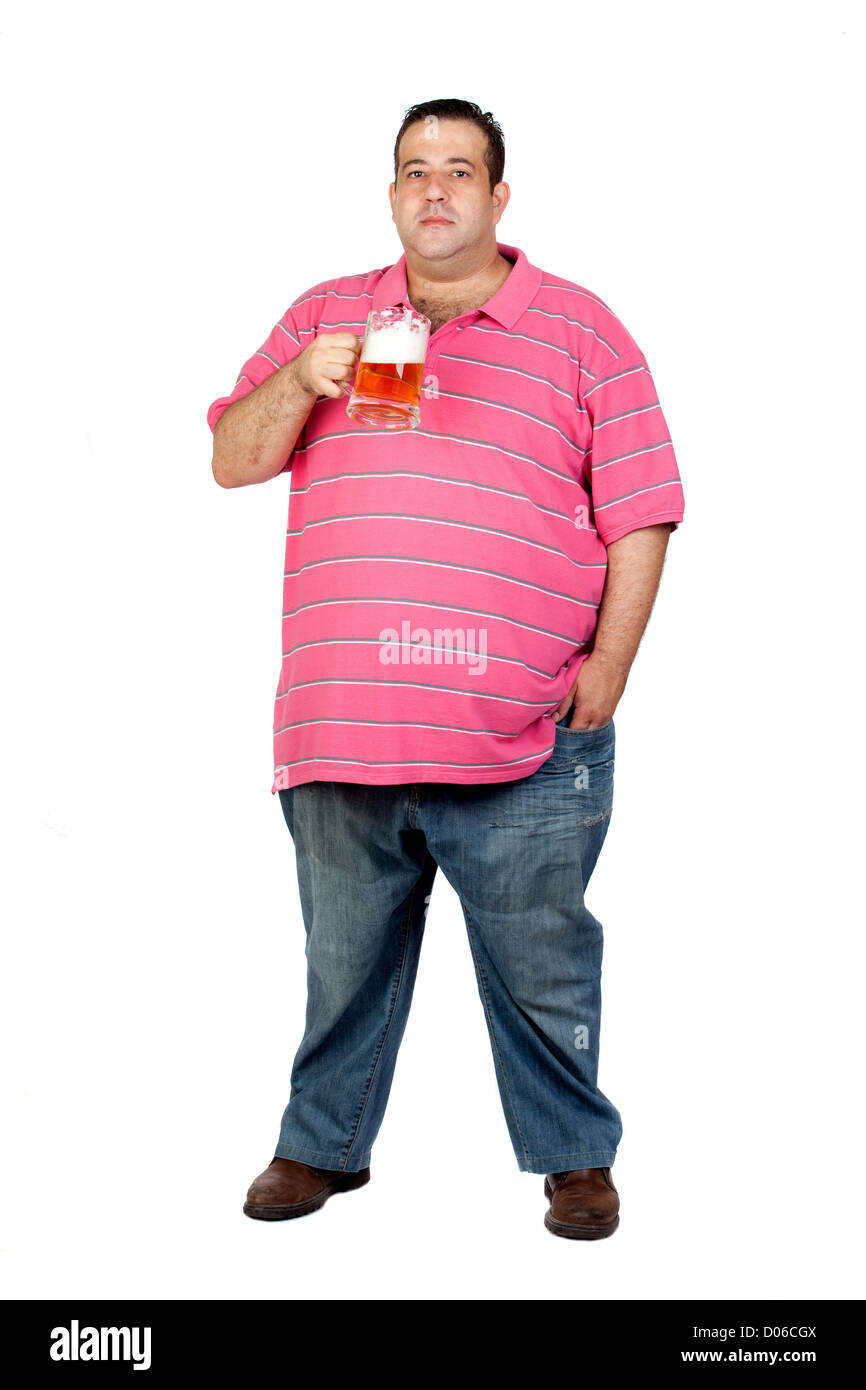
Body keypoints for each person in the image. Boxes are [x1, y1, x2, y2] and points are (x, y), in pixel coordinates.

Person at [207, 98, 685, 1239]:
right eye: (414, 170)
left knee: (542, 963)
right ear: (389, 196)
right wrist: (303, 378)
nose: (435, 189)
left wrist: (607, 668)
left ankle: (573, 1157)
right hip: (341, 721)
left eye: (459, 170)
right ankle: (318, 1146)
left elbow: (642, 510)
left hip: (519, 726)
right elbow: (232, 457)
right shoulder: (326, 314)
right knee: (340, 963)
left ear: (496, 196)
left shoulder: (580, 328)